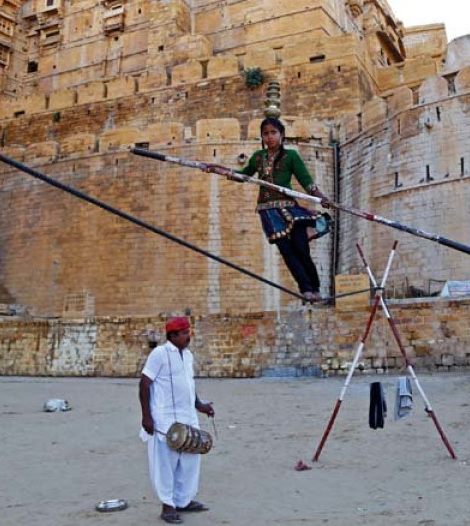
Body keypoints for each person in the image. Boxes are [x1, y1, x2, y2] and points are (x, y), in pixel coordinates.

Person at [206, 117, 332, 302]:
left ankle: (315, 287)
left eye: (274, 132)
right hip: (268, 211)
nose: (270, 137)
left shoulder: (291, 156)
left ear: (281, 134)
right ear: (262, 137)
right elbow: (244, 175)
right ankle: (305, 289)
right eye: (266, 133)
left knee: (301, 248)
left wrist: (321, 197)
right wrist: (222, 170)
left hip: (289, 208)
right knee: (286, 251)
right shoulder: (258, 157)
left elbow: (306, 182)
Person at [139, 316, 215, 524]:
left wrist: (200, 406)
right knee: (166, 463)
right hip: (164, 419)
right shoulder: (159, 354)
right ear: (172, 336)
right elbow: (144, 385)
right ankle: (168, 506)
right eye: (183, 333)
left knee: (190, 460)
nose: (187, 337)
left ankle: (184, 500)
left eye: (188, 332)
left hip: (187, 417)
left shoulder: (187, 355)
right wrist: (147, 417)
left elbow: (188, 385)